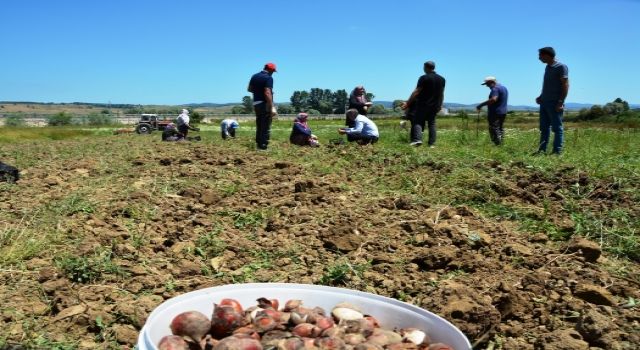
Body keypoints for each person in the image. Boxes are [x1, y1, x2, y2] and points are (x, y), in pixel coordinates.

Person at [401, 61, 446, 147]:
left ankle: (417, 140)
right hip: (435, 105)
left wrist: (407, 103)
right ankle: (432, 144)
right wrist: (440, 104)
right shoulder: (442, 79)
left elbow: (416, 92)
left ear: (426, 67)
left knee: (417, 121)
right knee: (432, 124)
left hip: (423, 104)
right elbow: (442, 93)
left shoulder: (424, 78)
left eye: (423, 67)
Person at [535, 47, 569, 155]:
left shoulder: (561, 67)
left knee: (557, 128)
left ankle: (557, 152)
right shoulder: (548, 67)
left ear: (547, 55)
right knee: (544, 128)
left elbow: (565, 85)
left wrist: (560, 102)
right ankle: (541, 150)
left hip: (554, 102)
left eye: (540, 55)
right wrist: (541, 96)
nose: (539, 58)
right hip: (544, 102)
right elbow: (548, 84)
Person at [248, 62, 277, 150]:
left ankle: (258, 145)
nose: (273, 73)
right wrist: (272, 106)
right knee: (265, 125)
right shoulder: (269, 78)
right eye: (273, 71)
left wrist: (258, 92)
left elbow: (249, 89)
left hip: (256, 103)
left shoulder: (254, 76)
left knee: (259, 124)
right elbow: (267, 92)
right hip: (264, 104)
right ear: (271, 70)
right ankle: (263, 146)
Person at [476, 76, 509, 145]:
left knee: (493, 128)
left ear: (492, 82)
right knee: (500, 128)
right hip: (503, 111)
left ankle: (497, 145)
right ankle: (501, 144)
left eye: (487, 84)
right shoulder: (504, 88)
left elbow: (494, 99)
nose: (487, 86)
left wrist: (481, 105)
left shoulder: (495, 89)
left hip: (495, 112)